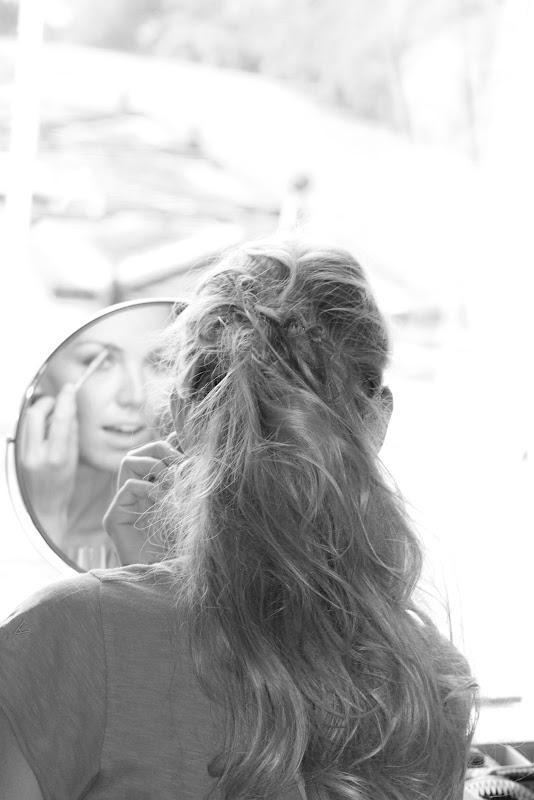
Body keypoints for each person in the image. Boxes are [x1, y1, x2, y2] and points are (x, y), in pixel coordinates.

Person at [0, 237, 477, 799]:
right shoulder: (431, 685)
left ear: (180, 413)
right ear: (377, 421)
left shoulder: (69, 635)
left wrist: (147, 593)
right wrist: (168, 588)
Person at [18, 302, 175, 569]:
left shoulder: (186, 528)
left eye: (159, 361)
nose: (135, 396)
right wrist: (45, 512)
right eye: (98, 362)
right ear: (42, 379)